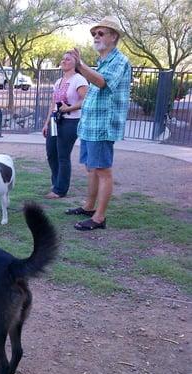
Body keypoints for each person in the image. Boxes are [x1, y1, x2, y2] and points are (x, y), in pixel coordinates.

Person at [67, 16, 131, 231]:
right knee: (91, 169)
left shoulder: (119, 61)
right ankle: (89, 207)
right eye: (94, 33)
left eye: (101, 33)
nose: (96, 36)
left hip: (103, 126)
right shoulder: (103, 62)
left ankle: (99, 218)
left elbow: (102, 83)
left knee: (103, 170)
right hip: (90, 125)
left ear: (114, 37)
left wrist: (80, 65)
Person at [42, 52, 89, 199]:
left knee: (63, 155)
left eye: (68, 59)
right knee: (51, 153)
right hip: (55, 121)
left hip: (71, 121)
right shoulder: (58, 81)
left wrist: (68, 109)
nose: (64, 61)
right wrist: (46, 123)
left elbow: (85, 101)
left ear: (75, 63)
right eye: (63, 58)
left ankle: (60, 190)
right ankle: (56, 183)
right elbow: (53, 104)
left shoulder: (79, 80)